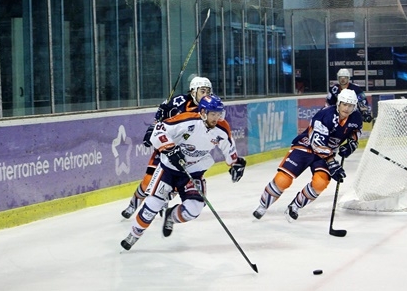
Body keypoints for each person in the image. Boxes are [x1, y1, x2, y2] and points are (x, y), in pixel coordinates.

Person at [121, 94, 247, 250]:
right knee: (152, 206)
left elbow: (229, 148)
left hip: (193, 173)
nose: (216, 118)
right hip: (169, 170)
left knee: (194, 209)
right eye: (213, 114)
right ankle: (134, 234)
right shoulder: (187, 120)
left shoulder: (222, 128)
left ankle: (171, 216)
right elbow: (159, 131)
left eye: (218, 113)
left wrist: (235, 164)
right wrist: (170, 148)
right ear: (202, 112)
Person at [253, 88, 362, 221]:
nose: (347, 108)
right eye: (344, 104)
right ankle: (263, 205)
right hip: (306, 146)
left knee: (320, 182)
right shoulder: (325, 115)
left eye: (350, 105)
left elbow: (355, 132)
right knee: (283, 179)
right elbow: (317, 144)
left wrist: (351, 144)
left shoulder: (355, 117)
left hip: (326, 153)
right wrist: (332, 164)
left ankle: (295, 206)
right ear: (338, 103)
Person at [121, 76, 213, 219]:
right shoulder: (178, 101)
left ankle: (161, 201)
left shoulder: (210, 109)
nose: (206, 94)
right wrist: (155, 123)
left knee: (174, 185)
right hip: (167, 148)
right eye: (202, 91)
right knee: (148, 181)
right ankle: (133, 204)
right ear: (193, 91)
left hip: (186, 154)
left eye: (208, 91)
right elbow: (161, 118)